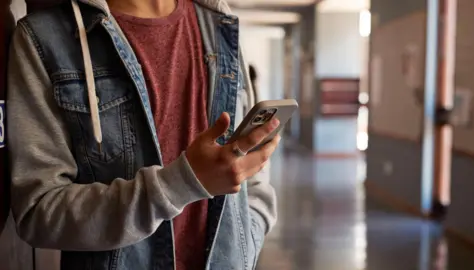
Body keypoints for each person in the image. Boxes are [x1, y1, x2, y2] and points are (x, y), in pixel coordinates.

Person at [6, 0, 279, 269]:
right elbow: (38, 212)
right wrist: (179, 184)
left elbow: (253, 183)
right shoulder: (45, 38)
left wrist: (245, 245)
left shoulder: (219, 24)